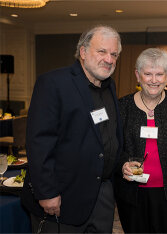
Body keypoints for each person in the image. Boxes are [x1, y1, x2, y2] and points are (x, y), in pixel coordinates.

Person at [21, 25, 123, 233]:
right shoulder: (53, 83)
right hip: (62, 198)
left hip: (101, 198)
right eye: (102, 51)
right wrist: (47, 192)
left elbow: (106, 136)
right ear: (83, 52)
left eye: (114, 54)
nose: (109, 59)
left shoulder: (109, 86)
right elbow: (39, 142)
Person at [115, 48, 167, 233]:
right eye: (148, 74)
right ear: (137, 75)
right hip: (132, 194)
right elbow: (113, 146)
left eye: (160, 74)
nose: (154, 80)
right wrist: (122, 164)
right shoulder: (122, 106)